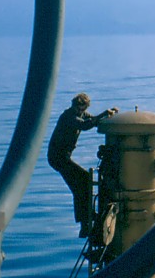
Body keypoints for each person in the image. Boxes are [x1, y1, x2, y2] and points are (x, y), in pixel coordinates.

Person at [47, 93, 118, 236]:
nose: (80, 112)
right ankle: (86, 221)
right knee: (83, 182)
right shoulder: (68, 116)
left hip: (63, 158)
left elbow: (92, 120)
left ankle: (86, 221)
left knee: (81, 184)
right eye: (78, 109)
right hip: (58, 158)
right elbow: (84, 125)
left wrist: (107, 116)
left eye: (82, 109)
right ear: (74, 106)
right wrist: (103, 114)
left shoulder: (81, 113)